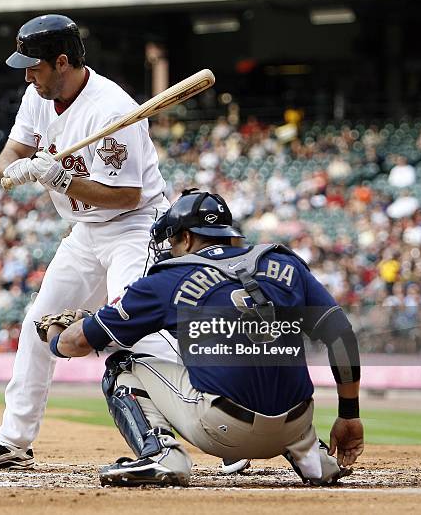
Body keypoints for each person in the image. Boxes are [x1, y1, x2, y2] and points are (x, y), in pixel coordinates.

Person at [0, 14, 179, 470]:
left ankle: (198, 433)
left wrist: (59, 177)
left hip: (135, 227)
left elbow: (127, 195)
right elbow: (12, 153)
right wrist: (11, 170)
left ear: (62, 62)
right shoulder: (39, 94)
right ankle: (14, 441)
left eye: (33, 65)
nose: (26, 74)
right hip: (86, 232)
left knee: (141, 330)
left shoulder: (111, 109)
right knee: (39, 323)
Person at [44, 189, 364, 486]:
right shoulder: (284, 262)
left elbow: (78, 343)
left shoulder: (166, 279)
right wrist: (349, 415)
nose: (169, 249)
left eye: (172, 241)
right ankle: (312, 455)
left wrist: (56, 337)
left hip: (223, 429)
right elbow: (340, 335)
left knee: (121, 366)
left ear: (185, 237)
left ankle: (162, 453)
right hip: (296, 422)